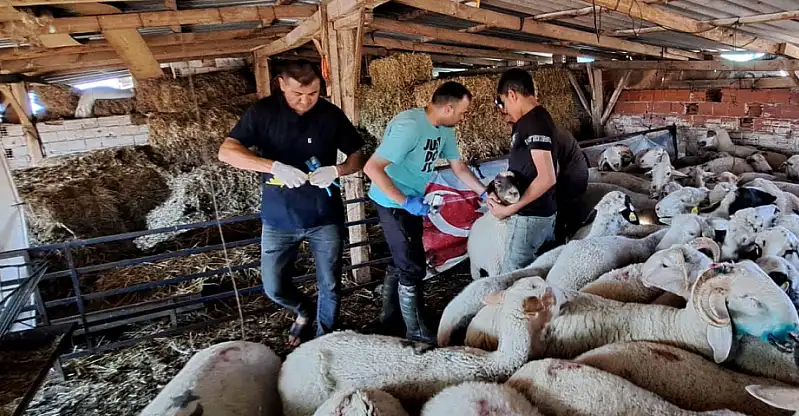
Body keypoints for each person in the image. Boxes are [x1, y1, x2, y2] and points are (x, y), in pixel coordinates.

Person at [218, 61, 366, 347]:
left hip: (324, 215)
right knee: (273, 286)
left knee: (331, 283)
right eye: (298, 93)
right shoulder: (263, 113)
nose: (306, 100)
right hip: (279, 218)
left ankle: (325, 340)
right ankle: (302, 310)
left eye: (313, 93)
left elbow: (357, 155)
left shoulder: (330, 115)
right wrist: (272, 166)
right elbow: (227, 152)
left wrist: (337, 170)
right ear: (281, 84)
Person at [364, 81, 488, 343]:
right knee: (412, 266)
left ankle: (391, 318)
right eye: (462, 112)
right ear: (448, 107)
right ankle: (416, 331)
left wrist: (484, 192)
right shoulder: (409, 127)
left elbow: (459, 167)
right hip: (392, 202)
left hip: (411, 200)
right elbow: (372, 168)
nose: (463, 118)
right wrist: (405, 201)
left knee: (405, 258)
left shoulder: (444, 129)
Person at [490, 68, 589, 266]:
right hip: (536, 212)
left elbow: (547, 178)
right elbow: (528, 169)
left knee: (513, 275)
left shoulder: (535, 122)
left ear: (512, 95)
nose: (506, 110)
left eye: (505, 103)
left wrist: (509, 211)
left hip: (531, 216)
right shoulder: (530, 122)